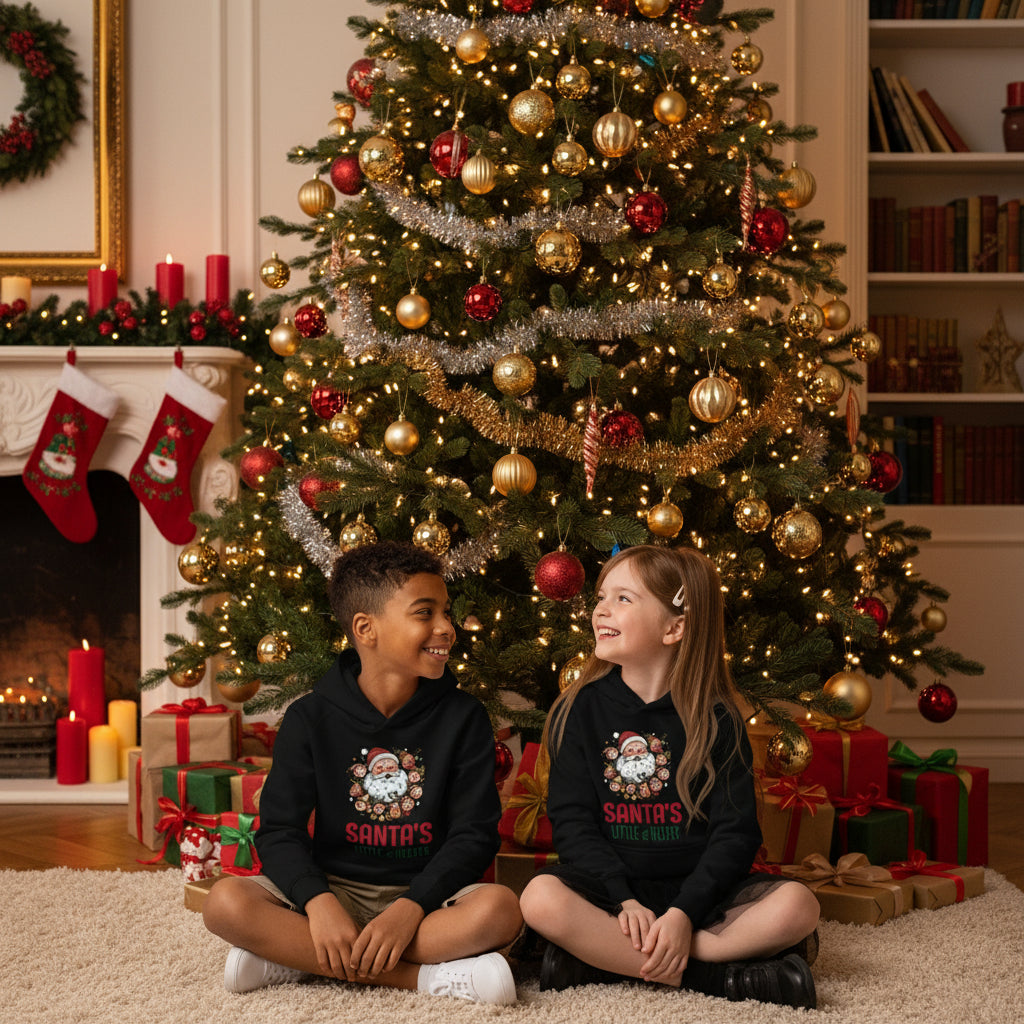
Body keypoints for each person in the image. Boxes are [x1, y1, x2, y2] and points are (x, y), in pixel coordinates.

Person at [203, 541, 522, 1004]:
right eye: (424, 613)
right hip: (333, 892)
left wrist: (411, 906)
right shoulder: (309, 718)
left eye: (446, 613)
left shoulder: (464, 716)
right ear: (366, 629)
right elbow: (279, 831)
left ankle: (297, 960)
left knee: (500, 910)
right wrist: (318, 903)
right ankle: (423, 979)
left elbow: (474, 834)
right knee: (224, 903)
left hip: (427, 899)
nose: (446, 628)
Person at [519, 544, 820, 1010]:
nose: (601, 609)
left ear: (674, 627)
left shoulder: (717, 718)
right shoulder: (580, 709)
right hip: (616, 894)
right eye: (601, 596)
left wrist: (683, 914)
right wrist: (623, 899)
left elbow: (735, 835)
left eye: (623, 598)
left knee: (800, 906)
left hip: (700, 893)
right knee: (539, 898)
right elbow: (573, 822)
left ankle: (605, 962)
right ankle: (716, 977)